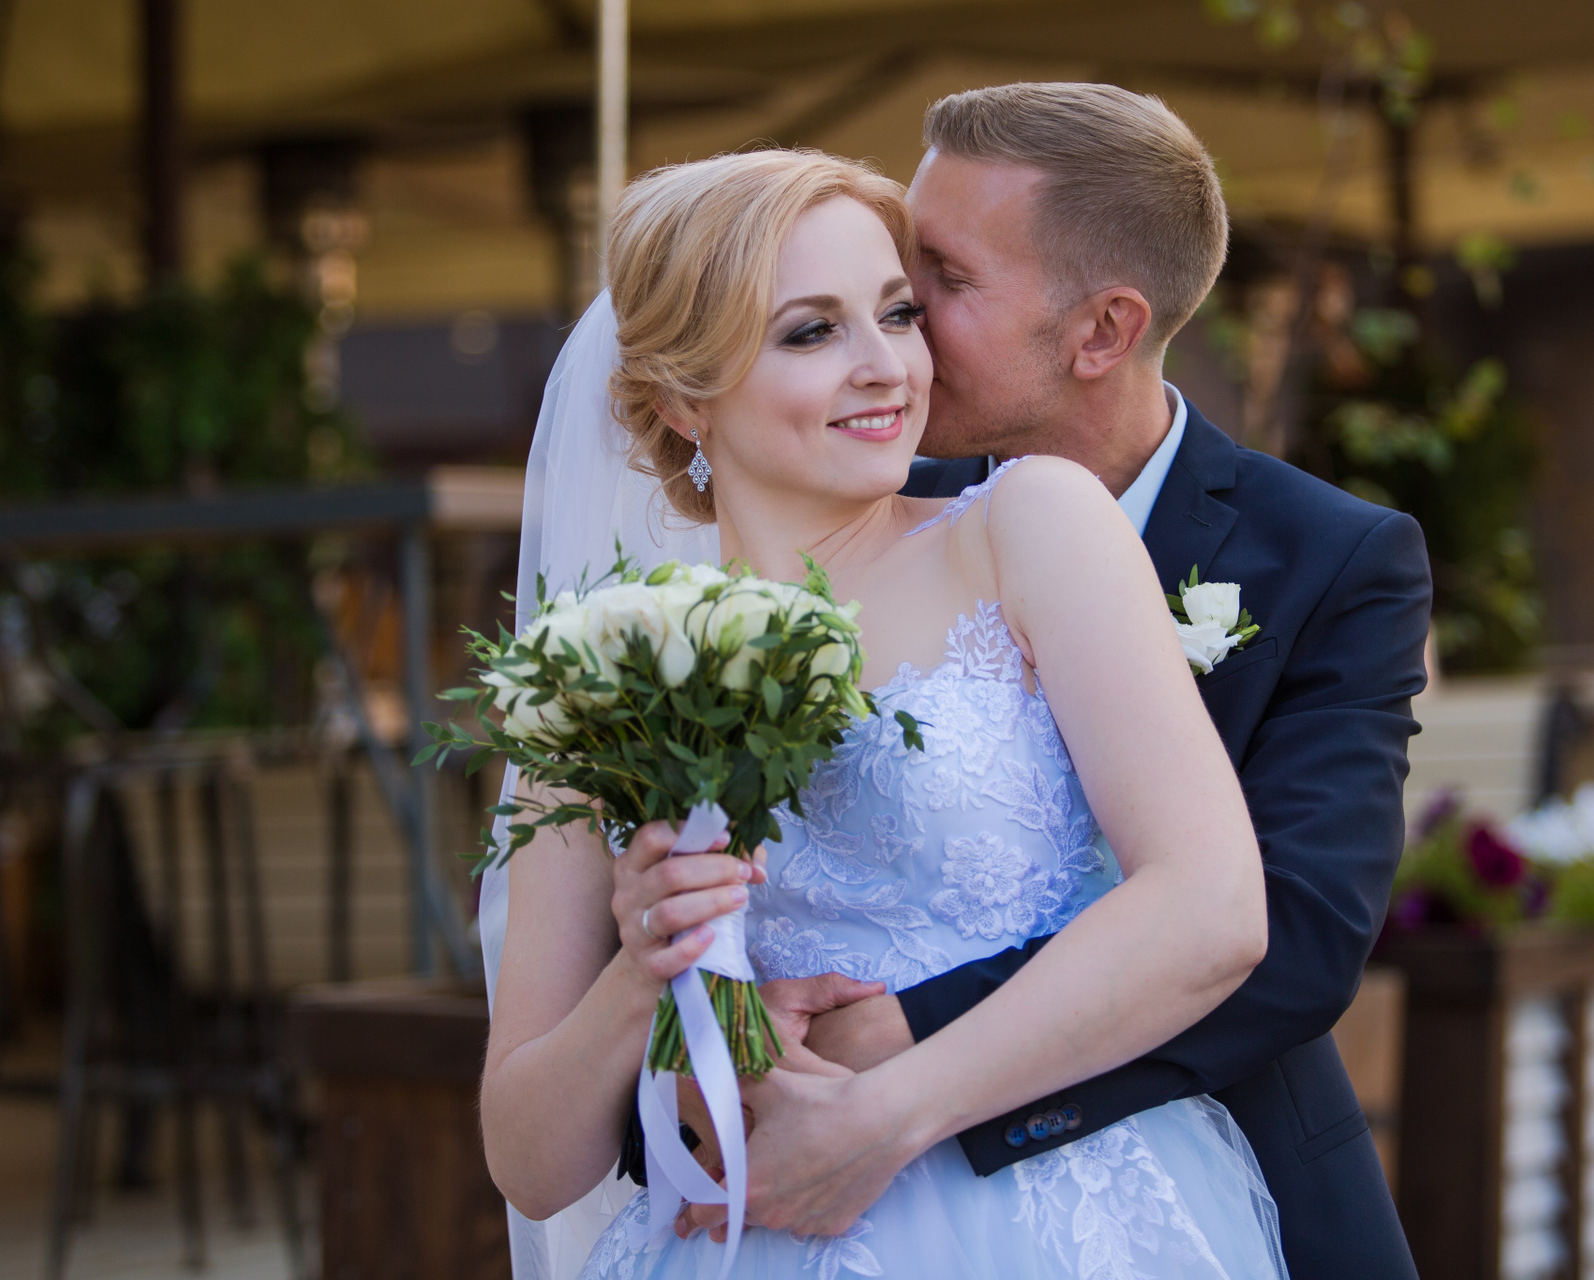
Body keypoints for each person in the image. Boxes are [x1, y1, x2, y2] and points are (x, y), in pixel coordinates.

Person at [481, 147, 1289, 1279]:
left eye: (899, 313)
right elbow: (529, 1162)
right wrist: (644, 973)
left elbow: (1212, 907)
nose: (888, 368)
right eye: (812, 331)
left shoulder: (1028, 525)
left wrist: (881, 1118)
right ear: (682, 396)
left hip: (1046, 1220)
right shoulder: (600, 671)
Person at [685, 84, 1430, 1279]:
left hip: (1210, 1188)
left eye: (942, 277)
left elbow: (1294, 931)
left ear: (1101, 332)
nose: (897, 312)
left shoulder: (1331, 558)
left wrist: (896, 1036)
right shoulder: (857, 495)